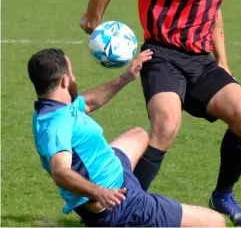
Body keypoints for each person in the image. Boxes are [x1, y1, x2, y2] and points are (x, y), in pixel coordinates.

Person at [80, 0, 241, 226]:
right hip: (162, 56)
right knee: (166, 126)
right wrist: (91, 21)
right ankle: (125, 209)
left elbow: (214, 13)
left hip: (201, 62)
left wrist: (224, 62)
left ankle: (223, 195)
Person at [28, 48, 226, 227]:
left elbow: (89, 103)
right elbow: (60, 172)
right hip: (119, 205)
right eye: (72, 72)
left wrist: (126, 78)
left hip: (112, 169)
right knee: (216, 222)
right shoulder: (55, 124)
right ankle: (139, 212)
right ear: (65, 80)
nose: (74, 76)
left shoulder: (55, 106)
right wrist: (100, 193)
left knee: (139, 134)